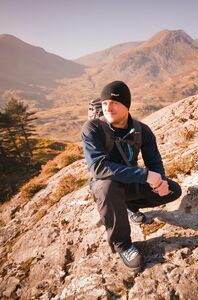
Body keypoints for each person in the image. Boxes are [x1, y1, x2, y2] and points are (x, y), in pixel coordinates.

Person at [81, 80, 182, 270]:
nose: (108, 108)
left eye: (114, 103)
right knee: (106, 186)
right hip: (109, 186)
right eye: (104, 103)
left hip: (131, 181)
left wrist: (159, 181)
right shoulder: (92, 128)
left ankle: (130, 207)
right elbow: (98, 168)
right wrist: (145, 176)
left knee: (173, 191)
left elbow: (154, 162)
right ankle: (123, 245)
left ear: (126, 105)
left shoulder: (142, 130)